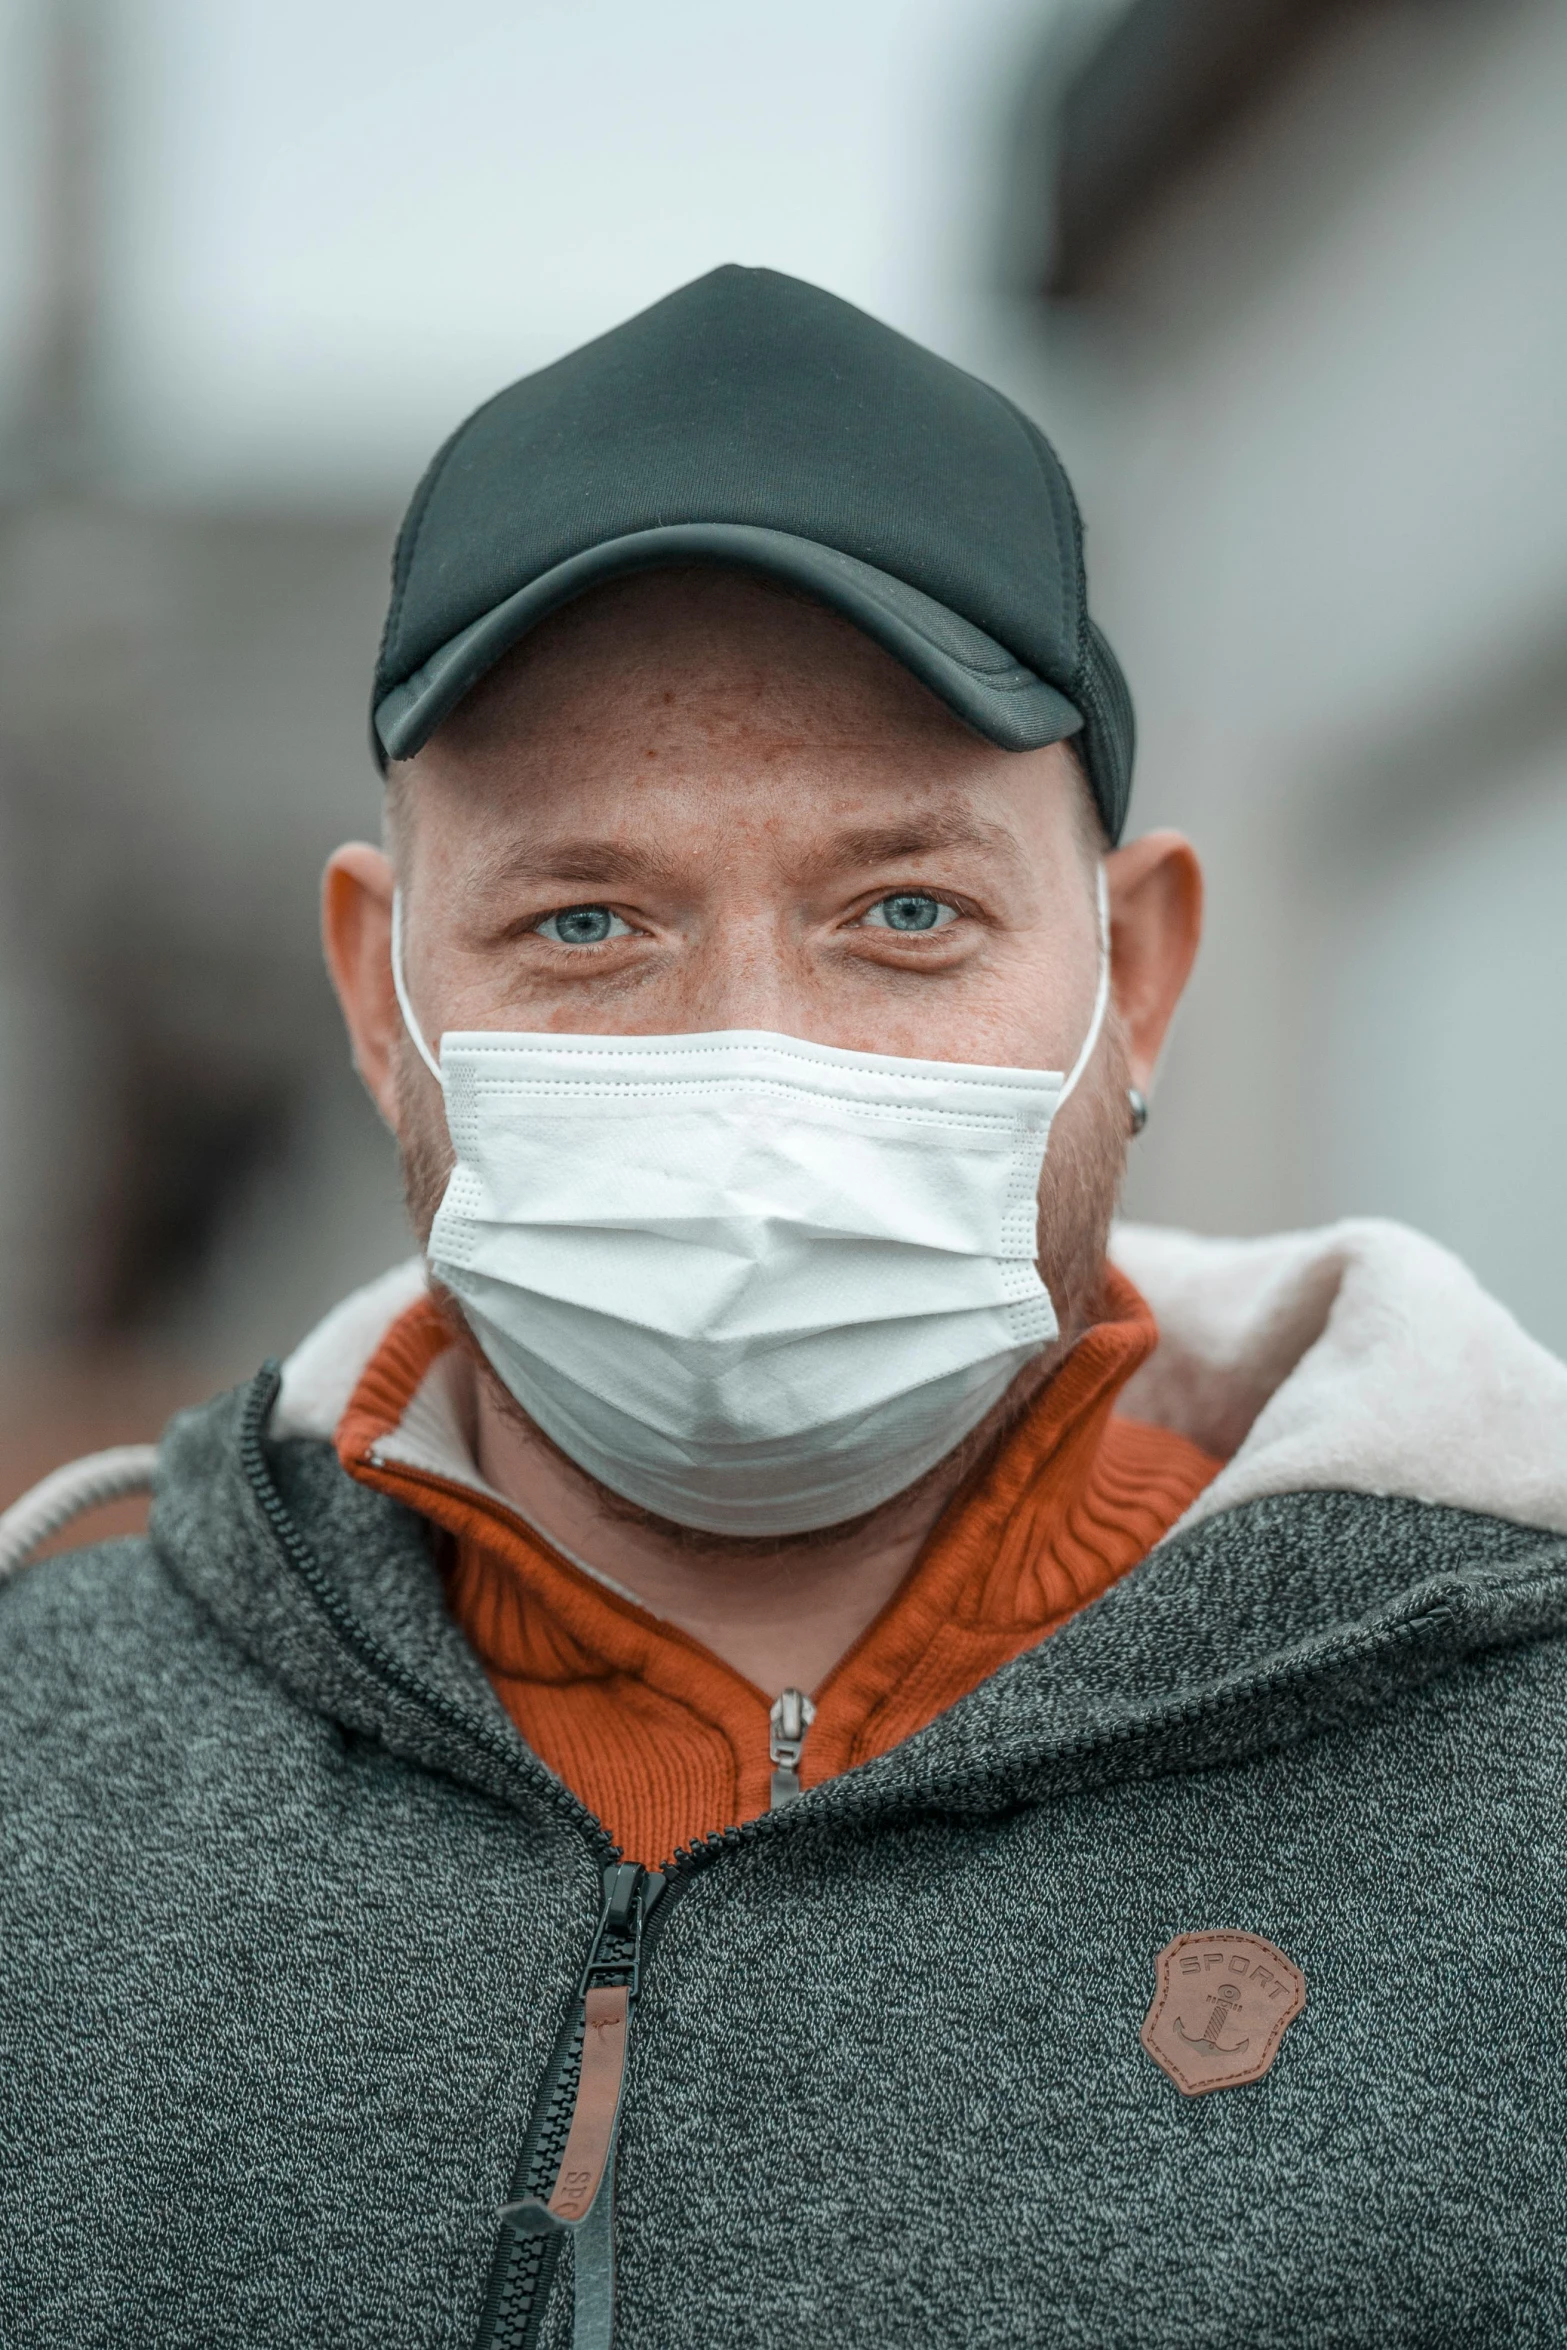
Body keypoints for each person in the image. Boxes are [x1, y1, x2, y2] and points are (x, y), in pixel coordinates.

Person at [4, 266, 1566, 2350]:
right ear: (385, 998)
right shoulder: (47, 1786)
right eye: (587, 920)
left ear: (1140, 976)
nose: (753, 1067)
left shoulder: (1517, 1791)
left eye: (905, 912)